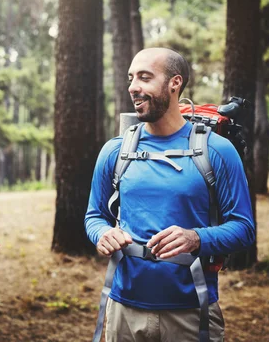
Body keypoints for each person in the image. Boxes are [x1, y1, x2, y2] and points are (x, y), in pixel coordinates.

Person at [85, 47, 255, 342]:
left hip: (191, 311)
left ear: (175, 83)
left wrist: (197, 238)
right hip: (124, 309)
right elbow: (94, 216)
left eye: (145, 77)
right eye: (131, 78)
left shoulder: (217, 151)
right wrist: (102, 234)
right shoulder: (115, 150)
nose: (133, 87)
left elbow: (244, 228)